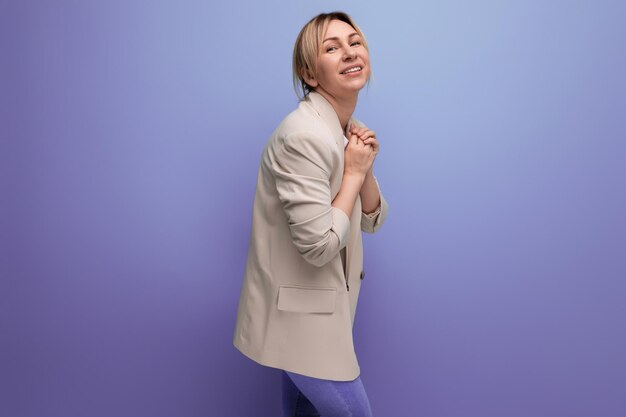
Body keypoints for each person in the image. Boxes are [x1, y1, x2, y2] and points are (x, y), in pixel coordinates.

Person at [232, 11, 389, 416]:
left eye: (355, 42)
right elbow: (318, 245)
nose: (350, 53)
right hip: (301, 322)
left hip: (320, 313)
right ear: (309, 73)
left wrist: (363, 167)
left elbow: (372, 219)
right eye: (331, 48)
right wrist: (353, 173)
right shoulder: (304, 136)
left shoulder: (341, 128)